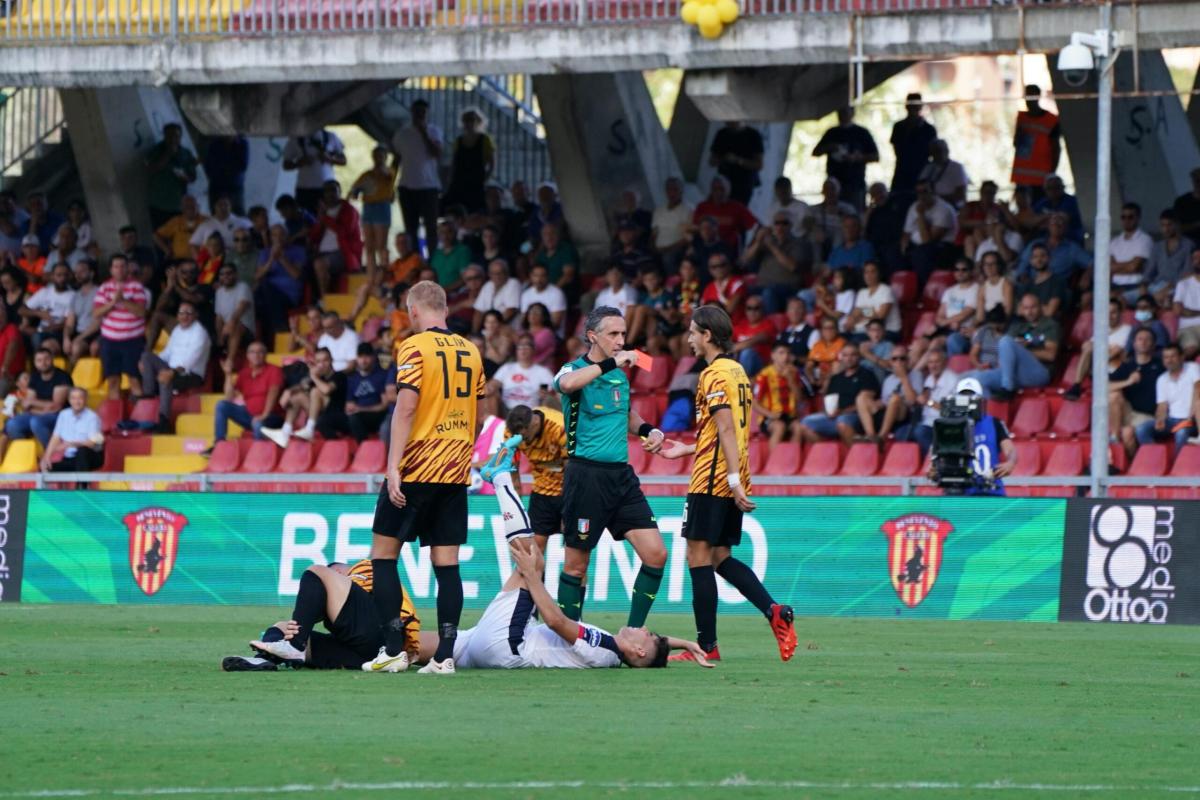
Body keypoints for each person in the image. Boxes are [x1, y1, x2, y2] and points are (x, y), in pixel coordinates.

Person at [655, 305, 797, 662]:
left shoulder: (712, 375)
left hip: (712, 478)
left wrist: (731, 481)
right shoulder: (738, 372)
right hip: (729, 471)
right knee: (720, 556)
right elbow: (721, 431)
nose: (688, 339)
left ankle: (707, 646)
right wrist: (685, 449)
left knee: (697, 557)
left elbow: (726, 429)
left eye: (692, 332)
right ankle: (774, 611)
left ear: (707, 335)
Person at [363, 281, 485, 675]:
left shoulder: (414, 347)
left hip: (417, 466)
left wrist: (393, 466)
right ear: (445, 309)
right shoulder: (471, 349)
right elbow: (478, 410)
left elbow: (406, 408)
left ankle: (394, 647)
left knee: (382, 557)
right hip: (454, 469)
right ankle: (445, 655)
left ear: (414, 311)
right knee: (447, 564)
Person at [552, 306, 668, 626]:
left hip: (621, 477)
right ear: (593, 337)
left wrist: (649, 430)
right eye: (613, 334)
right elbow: (566, 385)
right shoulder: (574, 368)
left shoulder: (620, 375)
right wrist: (610, 363)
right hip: (585, 475)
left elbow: (626, 413)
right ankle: (568, 639)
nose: (621, 340)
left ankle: (633, 631)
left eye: (623, 334)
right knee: (576, 566)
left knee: (656, 554)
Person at [234, 559, 421, 672]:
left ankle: (294, 646)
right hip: (364, 655)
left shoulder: (362, 569)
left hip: (380, 633)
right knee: (282, 627)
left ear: (338, 572)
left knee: (315, 571)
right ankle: (264, 660)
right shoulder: (347, 605)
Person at [500, 403, 569, 553]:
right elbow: (513, 473)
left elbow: (573, 472)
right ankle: (535, 577)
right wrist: (517, 510)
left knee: (574, 554)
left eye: (524, 437)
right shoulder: (511, 434)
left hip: (569, 491)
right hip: (541, 493)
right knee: (534, 550)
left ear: (535, 423)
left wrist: (570, 505)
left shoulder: (560, 428)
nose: (522, 441)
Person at [930, 377, 1016, 497]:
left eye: (971, 396)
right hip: (958, 491)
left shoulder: (994, 422)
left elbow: (1009, 448)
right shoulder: (948, 425)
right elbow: (936, 455)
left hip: (990, 489)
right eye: (963, 396)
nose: (968, 400)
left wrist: (1010, 462)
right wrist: (933, 470)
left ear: (980, 399)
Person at [965, 292, 1059, 400]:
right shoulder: (1017, 326)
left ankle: (1008, 388)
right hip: (1015, 372)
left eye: (1033, 307)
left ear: (1041, 307)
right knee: (977, 379)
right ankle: (991, 414)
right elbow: (1005, 353)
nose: (1029, 312)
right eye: (1026, 308)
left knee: (1006, 341)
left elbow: (1051, 355)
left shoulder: (1049, 325)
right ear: (1021, 309)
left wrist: (1021, 350)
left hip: (1039, 372)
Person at [137, 302, 210, 431]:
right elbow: (167, 353)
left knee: (166, 377)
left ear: (195, 316)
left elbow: (189, 361)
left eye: (188, 313)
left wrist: (171, 372)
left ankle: (164, 421)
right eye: (181, 313)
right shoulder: (177, 330)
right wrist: (151, 364)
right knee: (146, 356)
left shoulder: (200, 333)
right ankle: (148, 393)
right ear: (177, 316)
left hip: (191, 374)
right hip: (171, 368)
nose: (184, 316)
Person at [205, 341, 284, 452]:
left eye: (260, 352)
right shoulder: (244, 373)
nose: (256, 355)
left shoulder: (274, 370)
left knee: (258, 424)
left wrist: (264, 415)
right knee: (222, 405)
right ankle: (219, 445)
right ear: (247, 356)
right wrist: (228, 375)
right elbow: (229, 397)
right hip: (250, 416)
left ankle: (259, 454)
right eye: (252, 352)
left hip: (272, 416)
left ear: (265, 355)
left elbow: (273, 393)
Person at [261, 346, 348, 446]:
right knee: (296, 397)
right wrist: (288, 391)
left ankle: (309, 429)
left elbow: (326, 389)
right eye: (318, 361)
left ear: (331, 360)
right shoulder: (318, 378)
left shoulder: (339, 375)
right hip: (320, 415)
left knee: (315, 391)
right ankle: (285, 432)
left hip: (334, 417)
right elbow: (302, 386)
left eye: (325, 360)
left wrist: (314, 376)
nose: (322, 365)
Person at [797, 343, 879, 445]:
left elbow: (867, 403)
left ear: (859, 357)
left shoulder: (867, 375)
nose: (849, 358)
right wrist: (828, 412)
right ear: (841, 357)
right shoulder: (836, 378)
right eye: (845, 355)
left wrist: (843, 411)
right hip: (835, 416)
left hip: (856, 416)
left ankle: (857, 455)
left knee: (842, 422)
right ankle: (828, 453)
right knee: (805, 423)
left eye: (853, 355)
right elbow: (829, 401)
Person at [391, 100, 444, 257]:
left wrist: (424, 133)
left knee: (431, 227)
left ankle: (433, 260)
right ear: (412, 113)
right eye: (417, 112)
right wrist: (389, 186)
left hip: (429, 186)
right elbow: (396, 160)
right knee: (410, 229)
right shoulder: (402, 134)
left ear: (427, 114)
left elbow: (437, 153)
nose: (420, 115)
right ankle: (414, 261)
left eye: (423, 112)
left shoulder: (434, 131)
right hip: (407, 186)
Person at [93, 255, 149, 400]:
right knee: (112, 381)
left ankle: (140, 418)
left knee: (135, 380)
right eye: (116, 266)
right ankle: (116, 419)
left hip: (133, 341)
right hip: (109, 341)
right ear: (111, 270)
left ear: (127, 268)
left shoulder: (137, 286)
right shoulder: (104, 287)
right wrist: (112, 303)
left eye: (123, 266)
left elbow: (142, 312)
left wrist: (123, 300)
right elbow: (96, 312)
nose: (120, 269)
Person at [0, 348, 70, 458]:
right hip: (39, 413)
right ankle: (28, 455)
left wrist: (34, 403)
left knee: (36, 422)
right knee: (12, 424)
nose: (43, 363)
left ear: (52, 359)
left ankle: (52, 455)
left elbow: (57, 406)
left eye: (46, 359)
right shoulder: (34, 377)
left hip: (59, 415)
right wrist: (42, 407)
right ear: (35, 363)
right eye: (39, 360)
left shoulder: (62, 377)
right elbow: (27, 405)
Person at [740, 211, 813, 314]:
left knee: (769, 293)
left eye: (784, 223)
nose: (780, 226)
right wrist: (757, 241)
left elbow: (792, 266)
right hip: (762, 286)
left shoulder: (799, 243)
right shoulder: (765, 242)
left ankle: (772, 325)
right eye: (777, 223)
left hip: (787, 288)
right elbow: (744, 261)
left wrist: (773, 247)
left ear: (791, 225)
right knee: (740, 291)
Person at [893, 346, 959, 455]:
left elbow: (952, 410)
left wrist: (929, 402)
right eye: (930, 362)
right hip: (926, 422)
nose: (933, 366)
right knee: (900, 433)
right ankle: (920, 461)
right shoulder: (930, 378)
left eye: (937, 362)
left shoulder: (953, 380)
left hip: (943, 425)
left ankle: (934, 460)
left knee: (920, 432)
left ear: (945, 362)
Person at [1112, 327, 1166, 458]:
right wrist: (1128, 382)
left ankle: (1136, 469)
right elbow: (1103, 387)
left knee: (1127, 433)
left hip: (1148, 416)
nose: (1143, 342)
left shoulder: (1161, 366)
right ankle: (1113, 436)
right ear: (1134, 343)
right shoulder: (1127, 366)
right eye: (1140, 339)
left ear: (1154, 344)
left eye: (1148, 339)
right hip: (1128, 413)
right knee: (1113, 395)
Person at [1064, 298, 1132, 401]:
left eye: (1113, 312)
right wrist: (1103, 349)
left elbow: (1116, 352)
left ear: (1120, 313)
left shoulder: (1127, 330)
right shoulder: (1101, 330)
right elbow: (1086, 347)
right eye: (1107, 312)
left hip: (1116, 371)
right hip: (1098, 370)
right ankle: (1077, 385)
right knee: (1088, 347)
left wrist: (1099, 350)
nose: (1110, 316)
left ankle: (1078, 386)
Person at [1136, 343, 1200, 451]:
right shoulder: (1162, 379)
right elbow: (1162, 405)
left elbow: (1198, 389)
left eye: (1173, 356)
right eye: (1166, 357)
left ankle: (1177, 464)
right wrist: (1160, 419)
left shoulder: (1192, 368)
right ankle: (1156, 460)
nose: (1169, 360)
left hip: (1191, 420)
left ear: (1182, 357)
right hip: (1171, 420)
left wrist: (1191, 414)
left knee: (1181, 432)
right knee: (1142, 429)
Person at [812, 106, 879, 210]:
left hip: (855, 184)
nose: (842, 115)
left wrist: (857, 157)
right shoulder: (832, 133)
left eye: (845, 112)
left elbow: (875, 156)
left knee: (854, 214)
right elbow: (816, 152)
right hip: (834, 184)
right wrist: (830, 147)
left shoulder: (862, 133)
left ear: (852, 113)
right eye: (840, 112)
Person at [349, 145, 398, 285]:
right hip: (368, 207)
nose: (378, 158)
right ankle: (371, 278)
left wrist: (381, 167)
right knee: (369, 246)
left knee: (381, 245)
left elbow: (388, 176)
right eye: (376, 155)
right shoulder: (367, 174)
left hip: (382, 206)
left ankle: (384, 276)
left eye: (381, 156)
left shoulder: (389, 171)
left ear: (385, 157)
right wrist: (357, 191)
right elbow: (354, 190)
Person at [855, 342, 922, 444]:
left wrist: (904, 377)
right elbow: (885, 401)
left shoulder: (916, 374)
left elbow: (913, 401)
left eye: (902, 358)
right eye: (895, 359)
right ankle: (871, 435)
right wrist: (878, 404)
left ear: (908, 361)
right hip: (888, 412)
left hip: (905, 414)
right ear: (890, 362)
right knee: (862, 398)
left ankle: (881, 437)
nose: (898, 362)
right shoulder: (889, 379)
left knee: (895, 398)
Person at [309, 180, 363, 296]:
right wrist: (320, 220)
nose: (330, 193)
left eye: (333, 190)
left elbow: (345, 231)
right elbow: (313, 236)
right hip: (321, 252)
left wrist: (325, 218)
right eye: (327, 191)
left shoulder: (349, 210)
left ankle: (325, 300)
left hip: (342, 253)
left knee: (319, 264)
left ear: (339, 192)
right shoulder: (322, 211)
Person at [901, 179, 957, 286]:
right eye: (918, 192)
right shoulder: (914, 206)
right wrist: (904, 246)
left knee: (922, 253)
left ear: (933, 192)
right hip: (916, 245)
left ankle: (925, 290)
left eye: (925, 191)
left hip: (942, 247)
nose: (921, 196)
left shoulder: (943, 209)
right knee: (894, 253)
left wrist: (921, 215)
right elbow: (906, 232)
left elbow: (928, 241)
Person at [40, 387, 104, 478]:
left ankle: (82, 489)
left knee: (82, 452)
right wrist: (47, 457)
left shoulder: (93, 417)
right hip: (71, 457)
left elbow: (94, 443)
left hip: (91, 457)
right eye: (73, 398)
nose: (76, 401)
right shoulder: (63, 415)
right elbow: (55, 437)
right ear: (69, 400)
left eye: (80, 398)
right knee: (46, 468)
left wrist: (72, 444)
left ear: (85, 400)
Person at [1011, 85, 1061, 198]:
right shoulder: (1022, 118)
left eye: (1031, 96)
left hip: (1041, 178)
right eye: (1027, 96)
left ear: (1038, 97)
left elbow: (1056, 149)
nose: (1029, 100)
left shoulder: (1051, 120)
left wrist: (1051, 174)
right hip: (1022, 177)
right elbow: (1016, 143)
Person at [145, 123, 198, 229]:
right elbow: (151, 169)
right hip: (158, 203)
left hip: (178, 205)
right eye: (170, 136)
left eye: (176, 136)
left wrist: (185, 177)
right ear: (164, 135)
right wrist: (168, 154)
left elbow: (192, 177)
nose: (173, 139)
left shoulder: (186, 153)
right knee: (159, 235)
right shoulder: (156, 150)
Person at [282, 129, 347, 215]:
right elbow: (286, 165)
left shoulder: (331, 137)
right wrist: (299, 163)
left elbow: (343, 161)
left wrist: (330, 159)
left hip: (327, 189)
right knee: (305, 218)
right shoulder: (296, 139)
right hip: (304, 189)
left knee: (329, 217)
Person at [753, 341, 803, 448]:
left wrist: (791, 380)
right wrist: (770, 414)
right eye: (781, 353)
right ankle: (774, 462)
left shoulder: (794, 372)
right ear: (773, 355)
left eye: (788, 353)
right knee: (779, 427)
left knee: (799, 427)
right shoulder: (765, 375)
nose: (785, 356)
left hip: (790, 416)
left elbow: (799, 398)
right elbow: (754, 402)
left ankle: (792, 460)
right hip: (769, 417)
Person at [444, 108, 495, 213]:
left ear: (478, 122)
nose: (469, 123)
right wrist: (450, 179)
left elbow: (492, 163)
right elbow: (454, 163)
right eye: (466, 120)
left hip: (476, 183)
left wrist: (485, 178)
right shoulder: (458, 140)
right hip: (459, 182)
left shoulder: (485, 140)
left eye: (472, 120)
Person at [889, 93, 938, 201]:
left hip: (921, 173)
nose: (913, 109)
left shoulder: (928, 129)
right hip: (902, 173)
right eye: (911, 105)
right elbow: (897, 150)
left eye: (916, 105)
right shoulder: (899, 127)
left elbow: (933, 152)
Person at [693, 176, 759, 255]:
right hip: (706, 248)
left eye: (721, 189)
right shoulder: (702, 206)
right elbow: (694, 227)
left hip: (728, 250)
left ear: (728, 190)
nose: (718, 193)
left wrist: (751, 247)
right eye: (715, 189)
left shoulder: (737, 207)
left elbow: (756, 226)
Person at [20, 261, 75, 354]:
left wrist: (40, 330)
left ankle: (37, 366)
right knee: (17, 335)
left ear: (69, 276)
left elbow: (66, 323)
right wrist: (38, 313)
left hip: (58, 333)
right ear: (52, 276)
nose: (62, 278)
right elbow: (21, 310)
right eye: (59, 275)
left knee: (38, 338)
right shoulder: (45, 292)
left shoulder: (73, 295)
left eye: (65, 275)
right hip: (41, 330)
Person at [490, 334, 554, 412]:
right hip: (506, 409)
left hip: (531, 412)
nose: (523, 349)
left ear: (533, 350)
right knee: (490, 396)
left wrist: (544, 391)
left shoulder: (542, 372)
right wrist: (491, 387)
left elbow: (548, 390)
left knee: (548, 399)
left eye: (527, 346)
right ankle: (492, 423)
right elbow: (494, 383)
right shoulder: (507, 368)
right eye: (520, 347)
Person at [1145, 210, 1194, 308]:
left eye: (1169, 225)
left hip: (1176, 287)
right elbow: (1148, 272)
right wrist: (1143, 287)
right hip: (1155, 286)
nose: (1166, 229)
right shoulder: (1157, 246)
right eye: (1163, 225)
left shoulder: (1189, 245)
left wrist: (1166, 289)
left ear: (1177, 225)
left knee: (1167, 299)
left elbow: (1187, 274)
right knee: (1122, 298)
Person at [708, 122, 764, 206]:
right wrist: (724, 159)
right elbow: (712, 161)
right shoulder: (722, 134)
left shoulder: (753, 135)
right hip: (723, 183)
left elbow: (759, 164)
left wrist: (738, 160)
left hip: (743, 185)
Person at [344, 343, 389, 443]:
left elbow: (384, 405)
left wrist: (360, 409)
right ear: (357, 358)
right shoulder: (352, 379)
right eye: (360, 357)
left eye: (367, 357)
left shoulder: (381, 375)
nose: (363, 361)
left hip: (378, 416)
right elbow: (349, 404)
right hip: (359, 418)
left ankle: (364, 447)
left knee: (354, 418)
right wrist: (353, 409)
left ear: (373, 357)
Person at [1111, 202, 1154, 303]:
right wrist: (1129, 264)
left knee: (1119, 300)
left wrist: (1116, 267)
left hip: (1135, 285)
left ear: (1138, 218)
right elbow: (1108, 268)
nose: (1126, 220)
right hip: (1114, 285)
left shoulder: (1145, 239)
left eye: (1130, 217)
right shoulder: (1114, 241)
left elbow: (1134, 267)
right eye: (1123, 217)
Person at [213, 263, 254, 361]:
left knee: (235, 326)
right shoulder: (219, 292)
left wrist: (231, 323)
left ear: (236, 275)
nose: (225, 276)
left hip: (245, 330)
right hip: (226, 330)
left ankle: (229, 361)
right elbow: (219, 317)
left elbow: (242, 307)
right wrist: (219, 337)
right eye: (222, 274)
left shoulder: (243, 287)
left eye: (229, 273)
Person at [651, 176, 693, 265]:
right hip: (659, 248)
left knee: (668, 258)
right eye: (669, 190)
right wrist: (653, 247)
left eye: (675, 189)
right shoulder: (659, 210)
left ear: (681, 191)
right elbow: (654, 233)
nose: (672, 193)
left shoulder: (688, 210)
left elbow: (687, 238)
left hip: (676, 249)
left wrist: (668, 248)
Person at [203, 135, 249, 215]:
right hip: (217, 185)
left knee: (238, 214)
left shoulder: (242, 143)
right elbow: (209, 166)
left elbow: (242, 166)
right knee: (216, 215)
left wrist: (222, 167)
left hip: (234, 187)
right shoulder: (215, 143)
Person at [154, 195, 208, 262]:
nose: (190, 209)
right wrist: (167, 250)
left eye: (192, 206)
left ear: (197, 206)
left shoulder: (206, 221)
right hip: (179, 261)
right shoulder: (176, 221)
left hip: (200, 260)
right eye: (187, 206)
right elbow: (156, 236)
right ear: (182, 208)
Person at [1033, 175, 1085, 244]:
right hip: (1046, 239)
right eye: (1049, 188)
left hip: (1071, 239)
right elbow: (1033, 222)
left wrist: (1045, 219)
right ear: (1044, 189)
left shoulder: (1071, 200)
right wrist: (1052, 218)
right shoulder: (1042, 202)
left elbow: (1062, 220)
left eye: (1056, 187)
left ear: (1063, 187)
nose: (1053, 191)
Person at [917, 139, 969, 208]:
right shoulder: (928, 168)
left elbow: (961, 194)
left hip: (951, 207)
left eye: (938, 151)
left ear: (947, 151)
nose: (936, 155)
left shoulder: (957, 168)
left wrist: (937, 199)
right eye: (933, 152)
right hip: (930, 206)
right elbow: (920, 186)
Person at [731, 297, 775, 377]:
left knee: (747, 352)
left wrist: (736, 347)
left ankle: (742, 382)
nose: (752, 312)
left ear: (762, 309)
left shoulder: (768, 324)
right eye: (749, 308)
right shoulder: (741, 324)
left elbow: (757, 339)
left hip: (761, 366)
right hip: (739, 363)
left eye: (756, 308)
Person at [472, 258, 521, 329]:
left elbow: (511, 310)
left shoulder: (513, 283)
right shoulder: (488, 285)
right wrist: (475, 332)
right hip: (489, 327)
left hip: (507, 327)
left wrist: (493, 327)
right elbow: (478, 312)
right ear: (489, 274)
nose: (496, 276)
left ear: (506, 273)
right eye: (493, 273)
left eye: (499, 273)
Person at [1172, 249, 1200, 359]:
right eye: (1195, 258)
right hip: (1189, 328)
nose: (1198, 260)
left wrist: (1190, 311)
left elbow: (1185, 311)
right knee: (1191, 349)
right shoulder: (1183, 284)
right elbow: (1177, 310)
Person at [429, 219, 472, 290]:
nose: (445, 236)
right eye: (442, 232)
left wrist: (446, 290)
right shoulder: (436, 253)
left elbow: (465, 278)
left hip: (457, 294)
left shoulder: (463, 251)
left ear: (455, 233)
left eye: (449, 232)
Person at [1173, 167, 1200, 244]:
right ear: (1193, 182)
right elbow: (1176, 228)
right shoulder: (1182, 202)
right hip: (1191, 243)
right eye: (1197, 181)